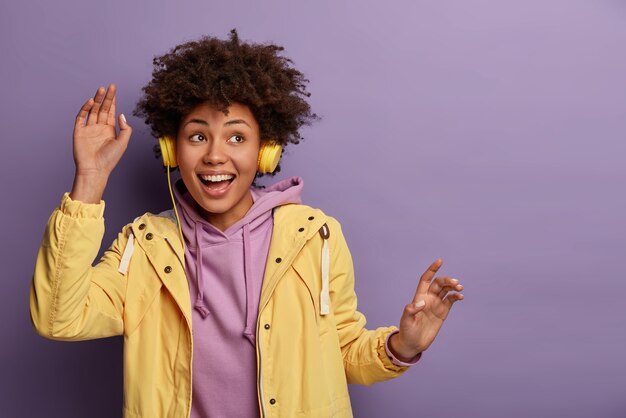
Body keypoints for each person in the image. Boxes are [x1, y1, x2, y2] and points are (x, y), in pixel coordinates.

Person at [30, 30, 464, 418]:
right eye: (197, 136)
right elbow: (58, 318)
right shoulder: (142, 246)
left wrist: (402, 347)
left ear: (265, 152)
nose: (215, 155)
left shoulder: (314, 236)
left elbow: (342, 352)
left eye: (236, 137)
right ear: (171, 150)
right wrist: (89, 180)